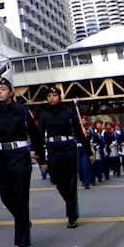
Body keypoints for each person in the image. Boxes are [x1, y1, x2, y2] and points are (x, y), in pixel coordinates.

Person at [0, 77, 44, 247]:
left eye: (3, 89)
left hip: (20, 157)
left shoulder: (22, 111)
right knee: (6, 196)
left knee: (21, 197)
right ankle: (23, 220)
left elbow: (35, 136)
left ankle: (22, 243)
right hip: (2, 158)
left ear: (11, 91)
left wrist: (42, 158)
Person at [39, 88, 87, 228]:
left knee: (71, 181)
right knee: (58, 181)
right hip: (53, 149)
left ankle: (72, 216)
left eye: (55, 95)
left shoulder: (68, 112)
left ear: (60, 97)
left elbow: (79, 132)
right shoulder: (44, 114)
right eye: (49, 96)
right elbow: (40, 136)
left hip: (68, 147)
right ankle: (71, 202)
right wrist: (42, 159)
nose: (52, 98)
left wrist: (89, 152)